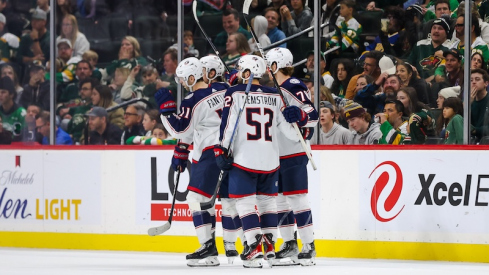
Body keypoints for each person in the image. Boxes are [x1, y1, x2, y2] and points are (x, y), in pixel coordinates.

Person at [216, 54, 299, 268]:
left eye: (240, 70)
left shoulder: (234, 92)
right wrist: (296, 119)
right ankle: (269, 247)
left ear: (246, 72)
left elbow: (228, 124)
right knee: (266, 202)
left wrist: (222, 149)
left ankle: (253, 246)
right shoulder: (275, 94)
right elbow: (290, 133)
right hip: (271, 159)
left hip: (245, 158)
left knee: (244, 201)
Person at [155, 57, 227, 267]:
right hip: (229, 148)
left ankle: (207, 247)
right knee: (214, 201)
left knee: (196, 197)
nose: (183, 83)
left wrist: (166, 112)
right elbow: (194, 127)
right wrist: (182, 148)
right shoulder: (224, 89)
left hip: (209, 151)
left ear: (191, 77)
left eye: (183, 79)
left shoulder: (192, 99)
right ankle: (214, 247)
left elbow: (180, 129)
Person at [265, 47, 318, 266]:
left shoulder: (293, 85)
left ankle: (308, 244)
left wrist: (301, 115)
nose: (267, 70)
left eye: (270, 65)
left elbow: (312, 115)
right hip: (277, 152)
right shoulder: (272, 90)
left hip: (294, 150)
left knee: (297, 197)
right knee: (280, 200)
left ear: (276, 65)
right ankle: (289, 244)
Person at [200, 54, 244, 262]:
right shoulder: (231, 90)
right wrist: (236, 82)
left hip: (213, 150)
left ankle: (221, 245)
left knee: (215, 201)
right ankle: (233, 244)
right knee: (232, 199)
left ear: (210, 73)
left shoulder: (203, 94)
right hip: (235, 148)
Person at [0, 76, 25, 141]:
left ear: (11, 95)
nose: (0, 95)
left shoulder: (21, 113)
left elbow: (21, 137)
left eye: (3, 92)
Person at [469, 68, 489, 142]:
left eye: (477, 79)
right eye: (471, 80)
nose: (473, 82)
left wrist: (474, 130)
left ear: (486, 83)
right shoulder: (468, 101)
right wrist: (468, 104)